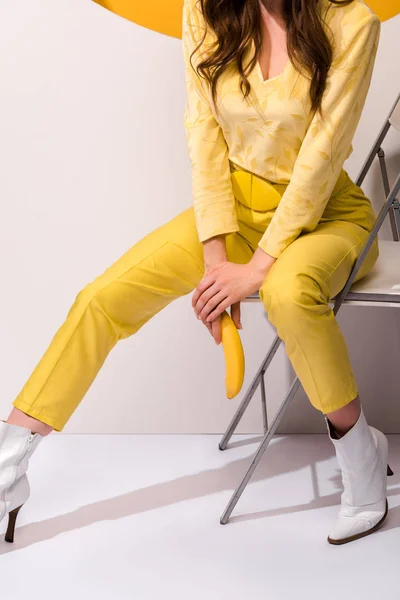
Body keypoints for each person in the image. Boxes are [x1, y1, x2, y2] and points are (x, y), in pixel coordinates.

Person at [0, 0, 392, 546]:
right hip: (232, 212)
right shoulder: (205, 13)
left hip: (328, 216)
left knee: (286, 292)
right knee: (103, 297)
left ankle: (361, 454)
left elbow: (321, 160)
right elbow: (203, 135)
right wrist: (217, 264)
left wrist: (256, 268)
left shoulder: (353, 24)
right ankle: (7, 468)